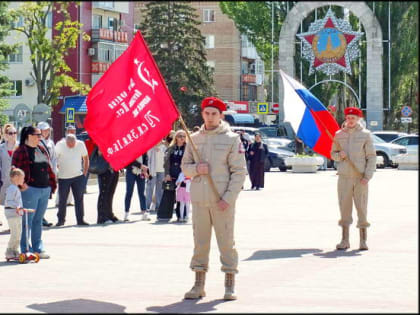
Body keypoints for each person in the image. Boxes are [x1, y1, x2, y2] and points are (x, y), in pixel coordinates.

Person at [181, 96, 246, 300]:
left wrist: (228, 198)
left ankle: (229, 284)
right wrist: (196, 169)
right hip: (200, 200)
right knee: (200, 243)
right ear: (202, 114)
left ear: (221, 116)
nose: (209, 118)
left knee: (226, 243)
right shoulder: (194, 138)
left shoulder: (231, 139)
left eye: (214, 114)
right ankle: (198, 285)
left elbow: (239, 172)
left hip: (222, 201)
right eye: (206, 113)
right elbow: (185, 167)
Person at [330, 107, 376, 251]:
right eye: (348, 118)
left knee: (361, 208)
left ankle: (363, 241)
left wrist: (367, 176)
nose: (350, 121)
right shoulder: (338, 134)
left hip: (360, 177)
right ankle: (345, 240)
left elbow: (371, 157)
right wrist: (339, 156)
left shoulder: (366, 135)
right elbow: (332, 153)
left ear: (358, 119)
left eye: (353, 118)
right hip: (344, 177)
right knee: (344, 207)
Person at [12, 126, 57, 259]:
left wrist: (51, 184)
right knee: (27, 221)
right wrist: (22, 184)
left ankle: (38, 248)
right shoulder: (20, 151)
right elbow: (14, 170)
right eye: (37, 134)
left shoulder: (41, 149)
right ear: (29, 136)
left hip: (44, 188)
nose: (40, 137)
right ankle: (26, 248)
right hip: (30, 190)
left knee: (38, 221)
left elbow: (48, 166)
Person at [55, 134, 89, 226]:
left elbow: (85, 158)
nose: (71, 146)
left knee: (79, 199)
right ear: (66, 142)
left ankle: (80, 220)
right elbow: (54, 158)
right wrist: (56, 170)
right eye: (69, 144)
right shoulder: (60, 145)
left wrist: (84, 173)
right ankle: (61, 220)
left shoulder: (80, 144)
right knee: (63, 200)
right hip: (63, 177)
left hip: (78, 176)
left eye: (73, 144)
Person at [157, 129, 187, 222]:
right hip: (172, 173)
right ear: (176, 138)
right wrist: (167, 174)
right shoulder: (171, 148)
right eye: (180, 136)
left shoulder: (188, 149)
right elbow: (166, 163)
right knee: (168, 193)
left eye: (184, 136)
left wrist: (187, 174)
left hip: (183, 174)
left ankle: (182, 215)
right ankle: (164, 215)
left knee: (182, 195)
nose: (182, 138)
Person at [37, 121, 57, 227]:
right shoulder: (37, 142)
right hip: (39, 174)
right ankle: (39, 218)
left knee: (46, 197)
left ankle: (42, 216)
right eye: (44, 130)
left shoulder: (51, 142)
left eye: (47, 129)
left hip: (49, 174)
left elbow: (54, 158)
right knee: (39, 196)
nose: (46, 131)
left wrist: (54, 172)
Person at [0, 124, 19, 227]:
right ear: (6, 135)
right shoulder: (1, 148)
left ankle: (13, 226)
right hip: (4, 180)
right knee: (5, 203)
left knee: (13, 203)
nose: (13, 135)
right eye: (11, 133)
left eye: (15, 133)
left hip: (17, 180)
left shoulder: (20, 146)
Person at [4, 168, 25, 259]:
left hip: (17, 214)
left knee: (19, 233)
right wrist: (17, 206)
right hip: (11, 214)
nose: (23, 180)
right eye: (22, 178)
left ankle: (15, 250)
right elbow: (8, 202)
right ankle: (9, 251)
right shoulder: (11, 189)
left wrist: (21, 208)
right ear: (16, 177)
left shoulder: (16, 188)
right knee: (15, 233)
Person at [95, 146, 120, 224]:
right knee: (103, 194)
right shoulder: (102, 140)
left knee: (110, 194)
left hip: (114, 169)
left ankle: (109, 214)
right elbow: (99, 152)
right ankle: (101, 217)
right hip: (105, 170)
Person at [124, 153, 149, 222]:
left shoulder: (143, 147)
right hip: (130, 171)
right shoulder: (131, 146)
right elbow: (130, 159)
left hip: (141, 172)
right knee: (129, 192)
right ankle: (126, 213)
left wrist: (145, 171)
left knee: (142, 193)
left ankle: (144, 212)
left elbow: (145, 159)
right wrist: (140, 165)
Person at [55, 125, 76, 207]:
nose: (72, 132)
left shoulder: (76, 142)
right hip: (63, 166)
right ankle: (58, 202)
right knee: (62, 186)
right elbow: (56, 155)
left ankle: (68, 201)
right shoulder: (61, 142)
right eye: (70, 131)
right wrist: (58, 165)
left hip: (73, 167)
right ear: (66, 132)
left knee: (71, 185)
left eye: (74, 131)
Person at [145, 140, 166, 212]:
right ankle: (146, 206)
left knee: (160, 189)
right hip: (152, 171)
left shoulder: (164, 147)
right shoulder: (150, 147)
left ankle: (159, 205)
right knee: (149, 188)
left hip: (162, 170)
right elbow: (147, 160)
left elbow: (166, 159)